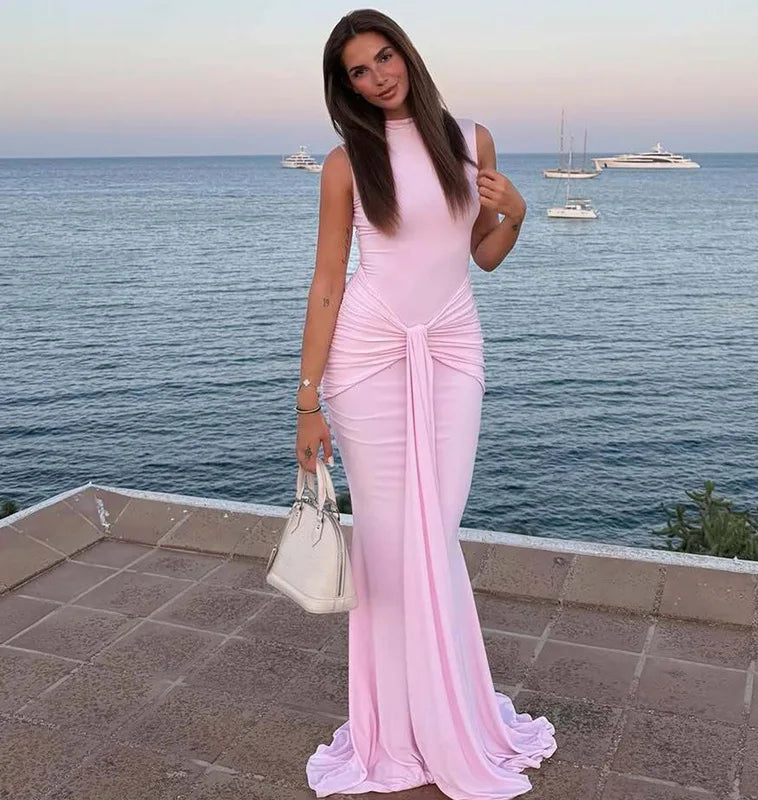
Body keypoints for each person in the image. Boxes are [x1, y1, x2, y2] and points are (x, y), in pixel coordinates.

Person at [294, 9, 556, 799]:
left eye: (385, 57)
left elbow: (484, 257)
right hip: (367, 355)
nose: (380, 76)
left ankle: (451, 716)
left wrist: (514, 211)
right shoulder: (346, 164)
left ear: (406, 53)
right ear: (346, 88)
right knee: (387, 540)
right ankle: (396, 726)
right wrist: (308, 402)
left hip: (451, 345)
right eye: (360, 72)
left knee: (434, 530)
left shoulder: (471, 138)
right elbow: (330, 282)